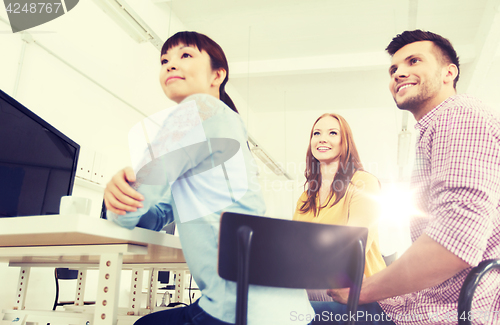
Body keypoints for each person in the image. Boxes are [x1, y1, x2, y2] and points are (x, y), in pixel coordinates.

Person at [104, 31, 314, 325]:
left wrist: (116, 201)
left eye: (185, 55)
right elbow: (155, 214)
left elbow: (128, 213)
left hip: (238, 312)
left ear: (217, 75)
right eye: (164, 59)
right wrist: (127, 196)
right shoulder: (226, 124)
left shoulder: (196, 110)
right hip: (291, 313)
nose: (170, 65)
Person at [326, 30, 500, 325]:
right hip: (429, 305)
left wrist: (362, 291)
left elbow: (455, 241)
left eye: (414, 61)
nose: (399, 73)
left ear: (449, 72)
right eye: (393, 69)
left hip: (450, 313)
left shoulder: (458, 116)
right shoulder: (436, 129)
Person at [292, 113, 386, 321]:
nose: (322, 138)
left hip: (359, 296)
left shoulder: (363, 183)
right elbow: (293, 249)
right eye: (317, 133)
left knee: (285, 316)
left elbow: (352, 249)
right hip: (315, 290)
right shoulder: (306, 197)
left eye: (333, 133)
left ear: (345, 142)